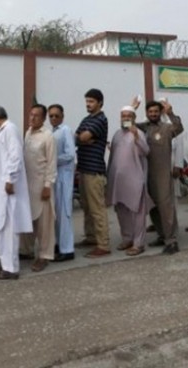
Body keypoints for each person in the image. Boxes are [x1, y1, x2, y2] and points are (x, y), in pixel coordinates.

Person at [0, 106, 32, 280]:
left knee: (9, 229)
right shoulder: (3, 132)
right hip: (2, 190)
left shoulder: (10, 130)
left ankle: (11, 268)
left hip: (8, 189)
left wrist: (10, 180)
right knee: (3, 228)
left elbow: (15, 156)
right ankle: (5, 263)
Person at [134, 99, 183, 254]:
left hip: (162, 175)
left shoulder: (167, 128)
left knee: (166, 207)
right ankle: (162, 235)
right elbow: (126, 125)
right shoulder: (143, 127)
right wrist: (132, 109)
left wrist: (170, 112)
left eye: (156, 111)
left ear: (160, 112)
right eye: (150, 112)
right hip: (147, 174)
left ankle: (172, 241)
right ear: (147, 113)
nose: (153, 114)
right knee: (153, 207)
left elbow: (179, 128)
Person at [106, 106, 152, 256]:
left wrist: (137, 138)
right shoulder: (117, 135)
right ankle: (127, 238)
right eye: (123, 115)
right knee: (121, 211)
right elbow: (112, 157)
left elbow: (146, 151)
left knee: (137, 213)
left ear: (134, 118)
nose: (125, 118)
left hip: (135, 179)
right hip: (118, 181)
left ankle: (138, 243)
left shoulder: (138, 133)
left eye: (128, 116)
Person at [20, 104, 57, 272]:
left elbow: (51, 163)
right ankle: (26, 250)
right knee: (28, 219)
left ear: (43, 119)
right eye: (31, 114)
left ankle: (44, 255)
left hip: (42, 185)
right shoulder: (28, 133)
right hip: (28, 185)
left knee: (44, 223)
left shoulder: (48, 136)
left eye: (36, 116)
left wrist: (48, 185)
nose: (32, 118)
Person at [75, 88, 110, 258]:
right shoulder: (86, 119)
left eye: (91, 102)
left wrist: (84, 139)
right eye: (87, 101)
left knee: (97, 209)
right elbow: (77, 137)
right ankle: (91, 237)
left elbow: (81, 138)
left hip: (94, 171)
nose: (88, 104)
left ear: (100, 103)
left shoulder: (101, 120)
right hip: (83, 169)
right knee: (87, 208)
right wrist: (83, 139)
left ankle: (103, 245)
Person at [47, 104, 76, 262]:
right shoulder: (51, 132)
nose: (53, 118)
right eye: (50, 116)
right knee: (56, 213)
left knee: (65, 212)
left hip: (64, 176)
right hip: (55, 177)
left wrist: (52, 161)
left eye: (56, 116)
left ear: (62, 116)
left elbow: (70, 154)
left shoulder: (65, 130)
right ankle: (59, 244)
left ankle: (67, 249)